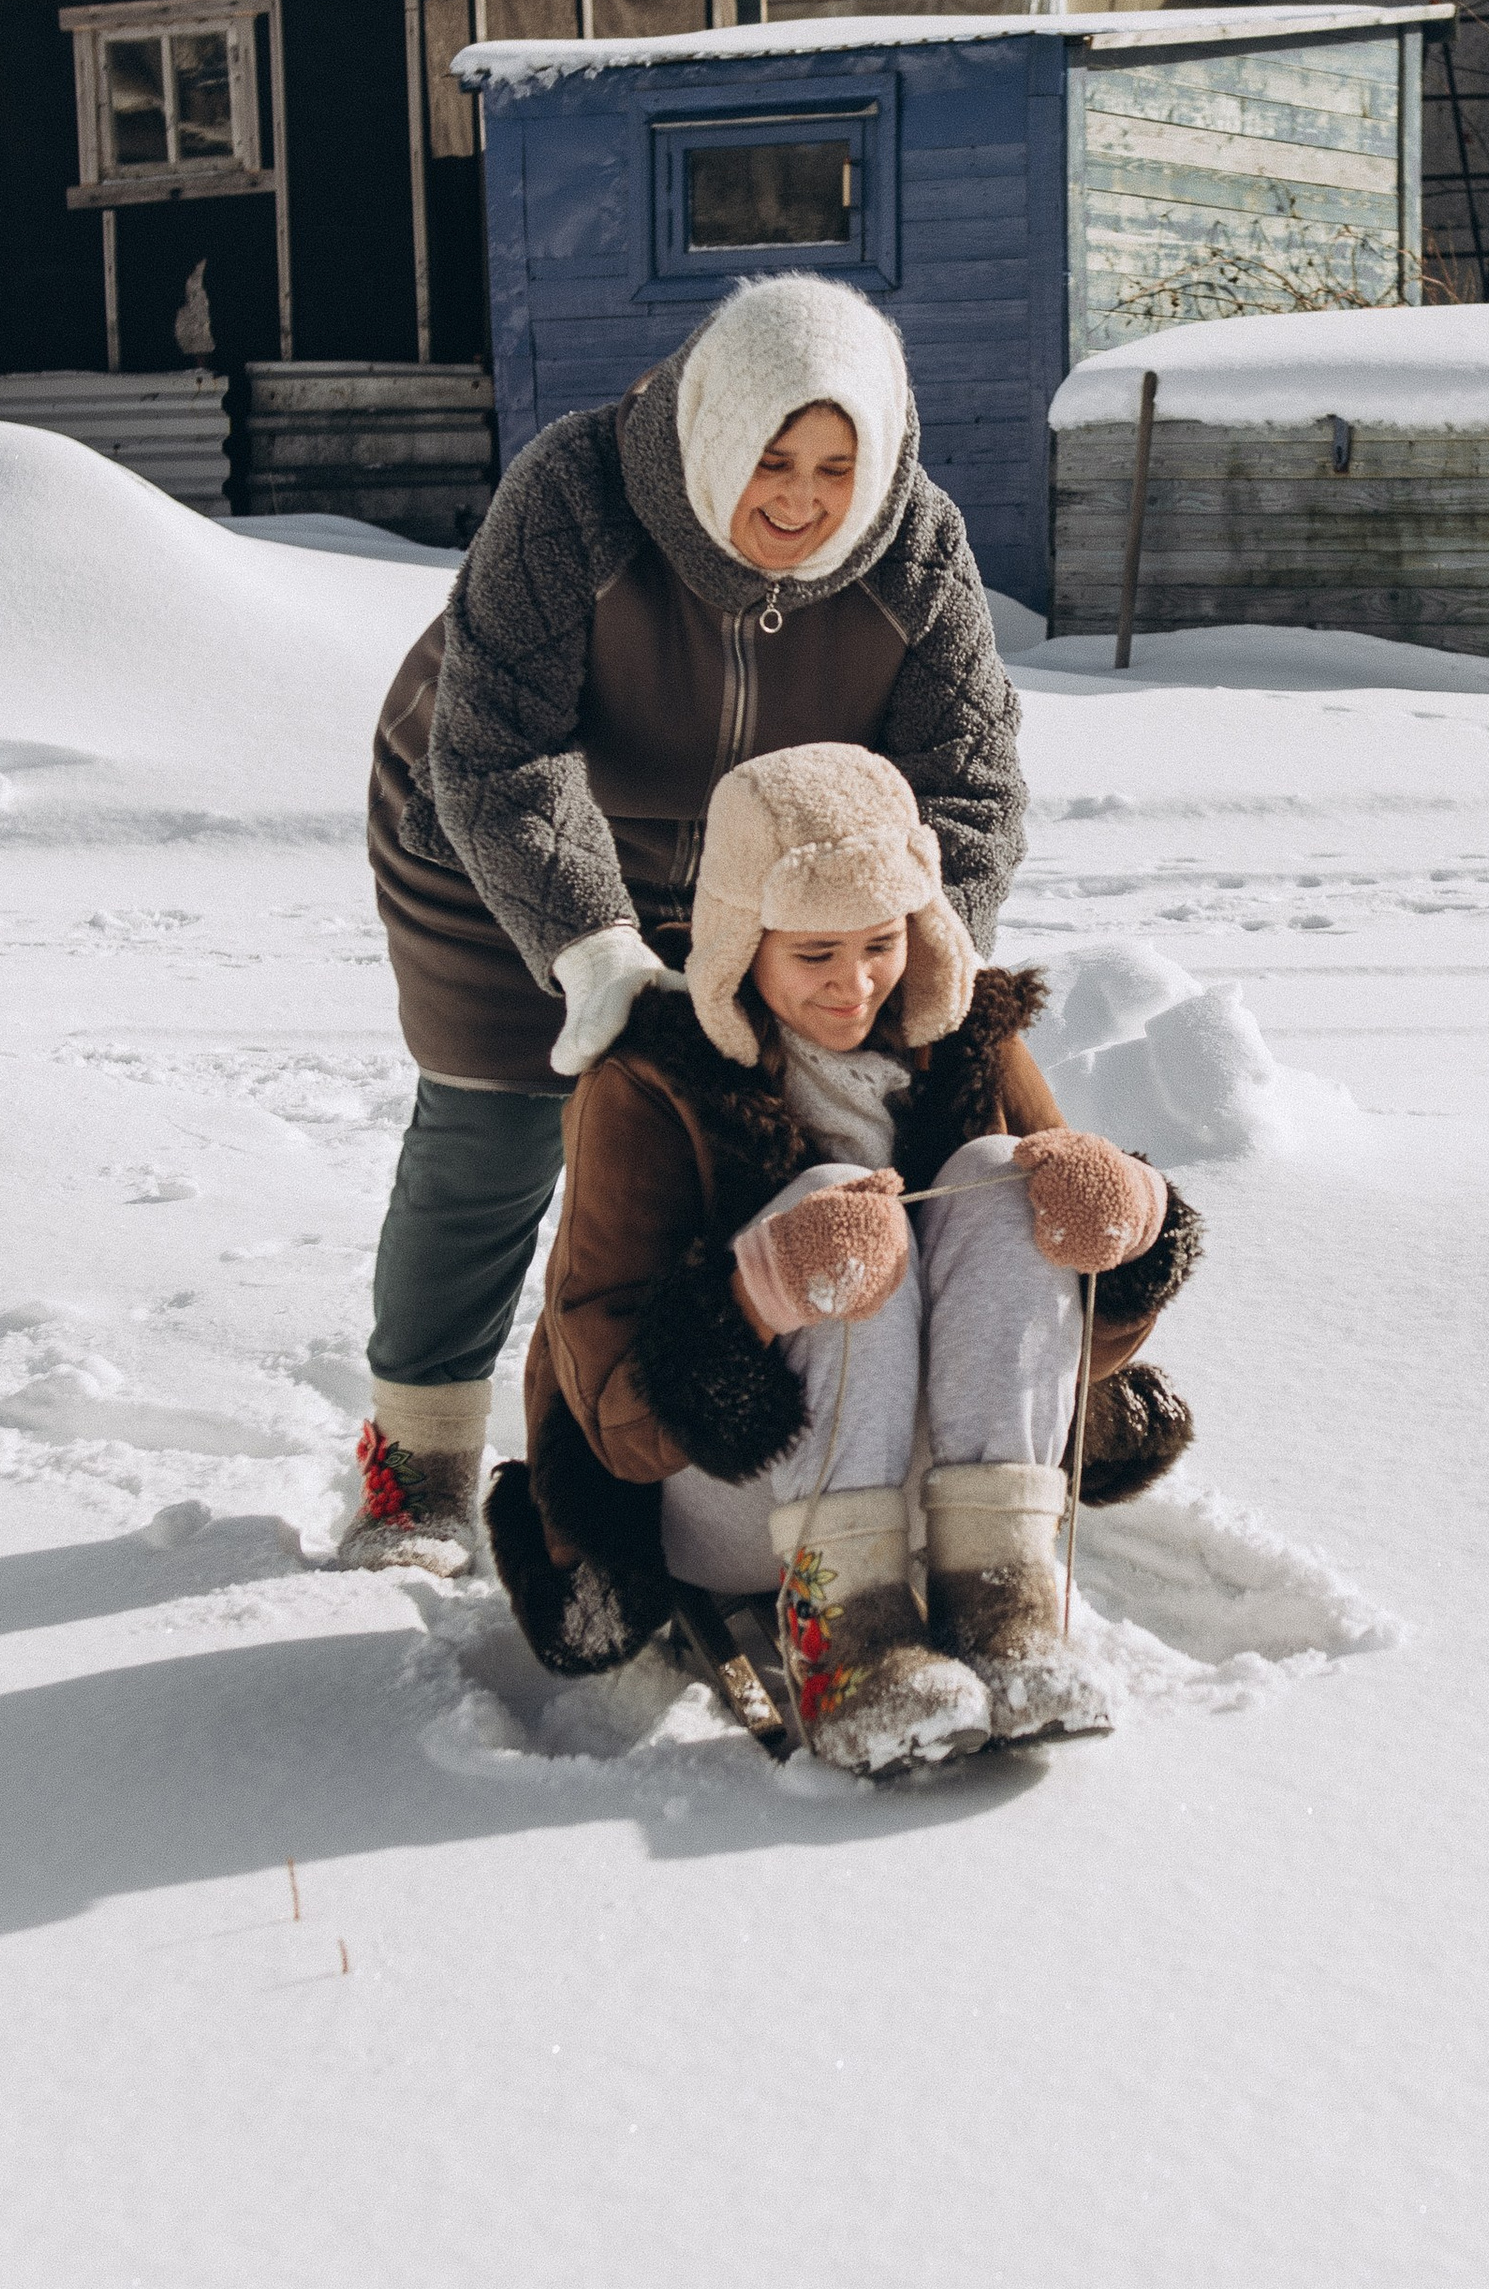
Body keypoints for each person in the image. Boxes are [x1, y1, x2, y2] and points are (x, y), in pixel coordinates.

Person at [342, 274, 1024, 1575]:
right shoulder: (576, 495)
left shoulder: (914, 546)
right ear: (716, 433)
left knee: (759, 1138)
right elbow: (498, 750)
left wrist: (934, 935)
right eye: (773, 456)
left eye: (838, 464)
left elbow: (969, 778)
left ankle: (741, 1466)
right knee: (495, 1127)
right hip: (486, 831)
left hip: (763, 877)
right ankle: (417, 1454)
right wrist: (596, 952)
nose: (802, 497)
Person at [483, 745, 1202, 1776]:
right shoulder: (647, 1081)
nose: (856, 983)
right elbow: (611, 1415)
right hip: (740, 1494)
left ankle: (1004, 1609)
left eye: (880, 942)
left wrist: (1122, 1233)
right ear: (741, 941)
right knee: (832, 1210)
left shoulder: (968, 1034)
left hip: (953, 1475)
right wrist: (760, 1293)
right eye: (814, 953)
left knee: (1008, 1173)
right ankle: (852, 1645)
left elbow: (1053, 1341)